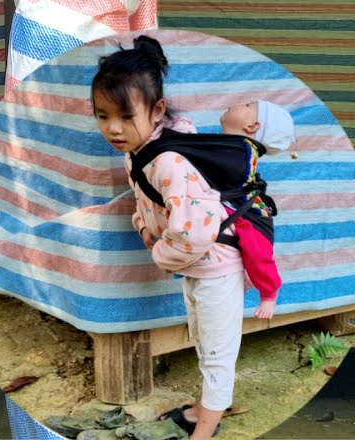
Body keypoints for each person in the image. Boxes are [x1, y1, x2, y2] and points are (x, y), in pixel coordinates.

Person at [91, 36, 243, 440]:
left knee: (216, 350)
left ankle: (206, 427)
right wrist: (144, 228)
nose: (113, 128)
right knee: (202, 337)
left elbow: (196, 231)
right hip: (197, 267)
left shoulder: (169, 161)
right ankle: (201, 410)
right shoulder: (143, 148)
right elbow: (148, 206)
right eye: (102, 115)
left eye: (124, 115)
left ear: (157, 110)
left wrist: (159, 251)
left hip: (215, 265)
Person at [218, 99, 295, 319]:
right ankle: (247, 272)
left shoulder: (243, 149)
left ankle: (269, 292)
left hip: (253, 214)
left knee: (259, 253)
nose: (238, 103)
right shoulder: (230, 146)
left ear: (252, 126)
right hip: (237, 207)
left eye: (247, 106)